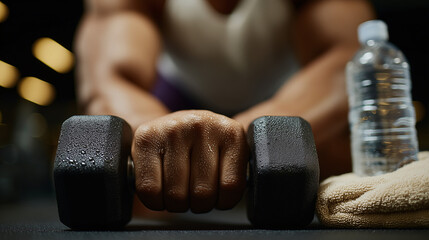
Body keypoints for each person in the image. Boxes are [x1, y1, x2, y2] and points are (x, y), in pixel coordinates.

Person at [74, 0, 375, 214]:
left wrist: (245, 136)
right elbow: (110, 79)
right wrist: (156, 138)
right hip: (173, 103)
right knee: (145, 196)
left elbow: (348, 60)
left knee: (334, 175)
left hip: (287, 100)